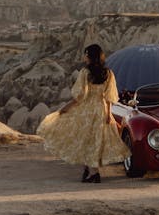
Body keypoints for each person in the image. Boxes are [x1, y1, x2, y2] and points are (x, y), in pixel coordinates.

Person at [37, 44, 129, 181]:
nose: (84, 57)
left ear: (91, 56)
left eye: (86, 54)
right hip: (101, 109)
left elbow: (80, 97)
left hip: (86, 111)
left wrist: (65, 108)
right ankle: (88, 170)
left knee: (86, 140)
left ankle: (94, 173)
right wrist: (109, 114)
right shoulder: (109, 73)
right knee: (95, 141)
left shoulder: (85, 73)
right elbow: (110, 97)